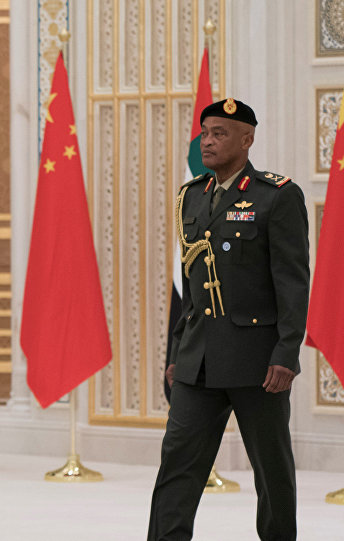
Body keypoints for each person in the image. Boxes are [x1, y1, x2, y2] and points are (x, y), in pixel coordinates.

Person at [148, 99, 309, 540]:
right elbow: (191, 284)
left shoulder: (277, 196)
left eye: (219, 133)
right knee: (177, 465)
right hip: (197, 358)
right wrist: (178, 349)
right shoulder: (192, 195)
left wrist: (286, 354)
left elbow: (293, 283)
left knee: (271, 470)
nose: (208, 141)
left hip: (257, 361)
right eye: (205, 133)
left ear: (246, 139)